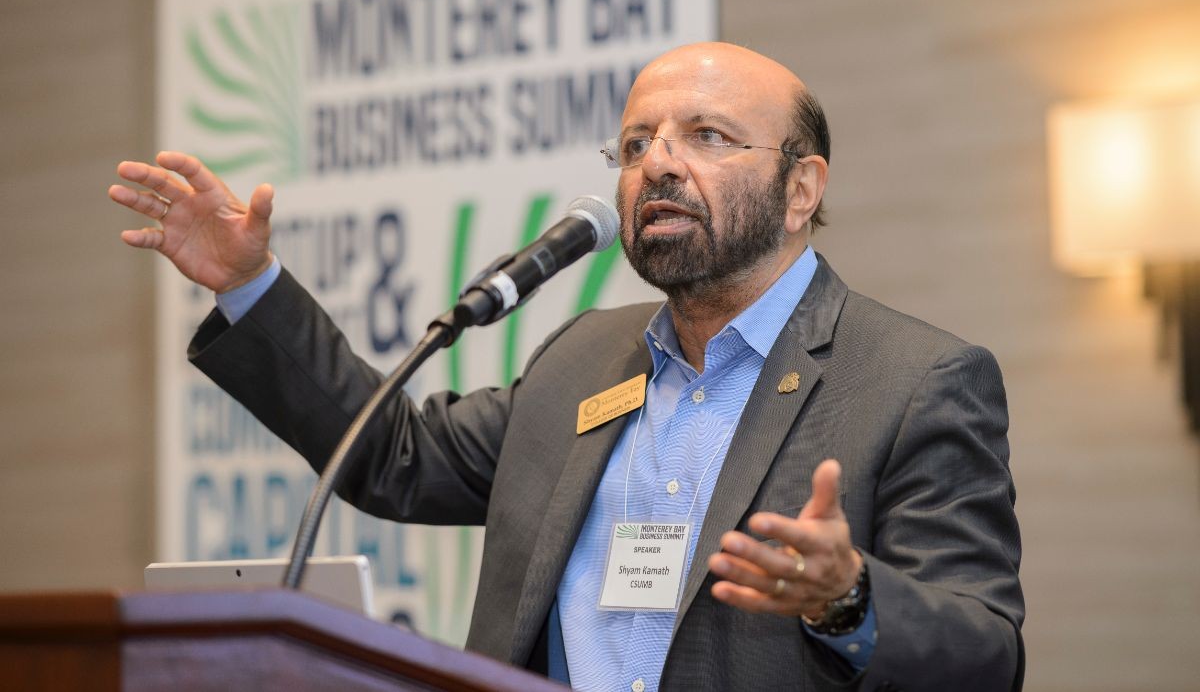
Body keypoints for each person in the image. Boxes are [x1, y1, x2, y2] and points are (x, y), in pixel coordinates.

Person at [109, 42, 1023, 691]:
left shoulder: (915, 380)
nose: (657, 163)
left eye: (706, 135)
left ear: (801, 189)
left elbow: (987, 653)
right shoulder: (584, 358)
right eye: (635, 144)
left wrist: (847, 598)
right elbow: (394, 456)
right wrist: (249, 287)